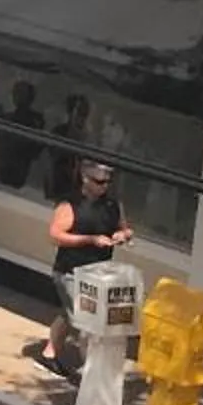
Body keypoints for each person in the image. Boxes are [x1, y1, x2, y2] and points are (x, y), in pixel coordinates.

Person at [30, 156, 133, 378]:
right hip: (70, 271)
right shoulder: (71, 204)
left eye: (107, 182)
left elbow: (125, 229)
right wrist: (90, 240)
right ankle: (92, 372)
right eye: (99, 182)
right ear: (85, 179)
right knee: (86, 321)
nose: (104, 187)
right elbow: (56, 235)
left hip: (98, 275)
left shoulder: (113, 205)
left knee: (69, 315)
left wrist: (121, 235)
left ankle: (49, 355)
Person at [0, 78, 46, 188]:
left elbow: (34, 148)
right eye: (15, 93)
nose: (15, 96)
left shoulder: (34, 121)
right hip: (2, 171)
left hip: (19, 171)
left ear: (29, 97)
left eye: (20, 93)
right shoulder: (8, 119)